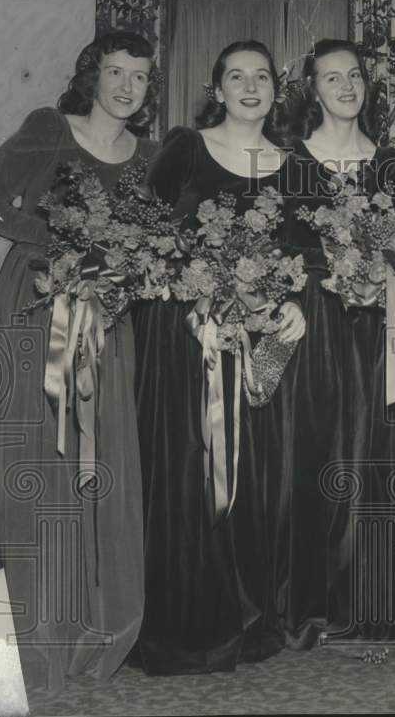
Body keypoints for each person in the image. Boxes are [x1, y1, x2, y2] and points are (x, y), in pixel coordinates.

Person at [0, 31, 160, 694]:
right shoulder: (49, 128)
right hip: (35, 310)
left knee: (96, 472)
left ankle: (94, 629)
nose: (126, 86)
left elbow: (158, 241)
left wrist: (127, 265)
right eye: (115, 71)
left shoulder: (152, 154)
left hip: (107, 325)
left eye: (138, 75)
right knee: (36, 466)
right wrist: (64, 240)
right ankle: (30, 637)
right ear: (92, 74)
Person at [131, 39, 303, 673]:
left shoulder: (293, 164)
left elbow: (302, 256)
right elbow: (138, 229)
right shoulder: (186, 147)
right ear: (217, 88)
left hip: (254, 345)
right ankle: (181, 626)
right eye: (237, 75)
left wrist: (293, 302)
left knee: (248, 478)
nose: (251, 86)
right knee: (186, 471)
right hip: (183, 340)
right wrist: (195, 292)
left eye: (262, 76)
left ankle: (244, 617)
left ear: (275, 90)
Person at [281, 38, 395, 645]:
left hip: (381, 322)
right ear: (313, 90)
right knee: (319, 450)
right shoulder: (291, 162)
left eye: (354, 75)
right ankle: (314, 604)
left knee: (381, 452)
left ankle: (374, 602)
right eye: (331, 78)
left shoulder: (394, 164)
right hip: (318, 323)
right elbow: (276, 249)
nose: (345, 86)